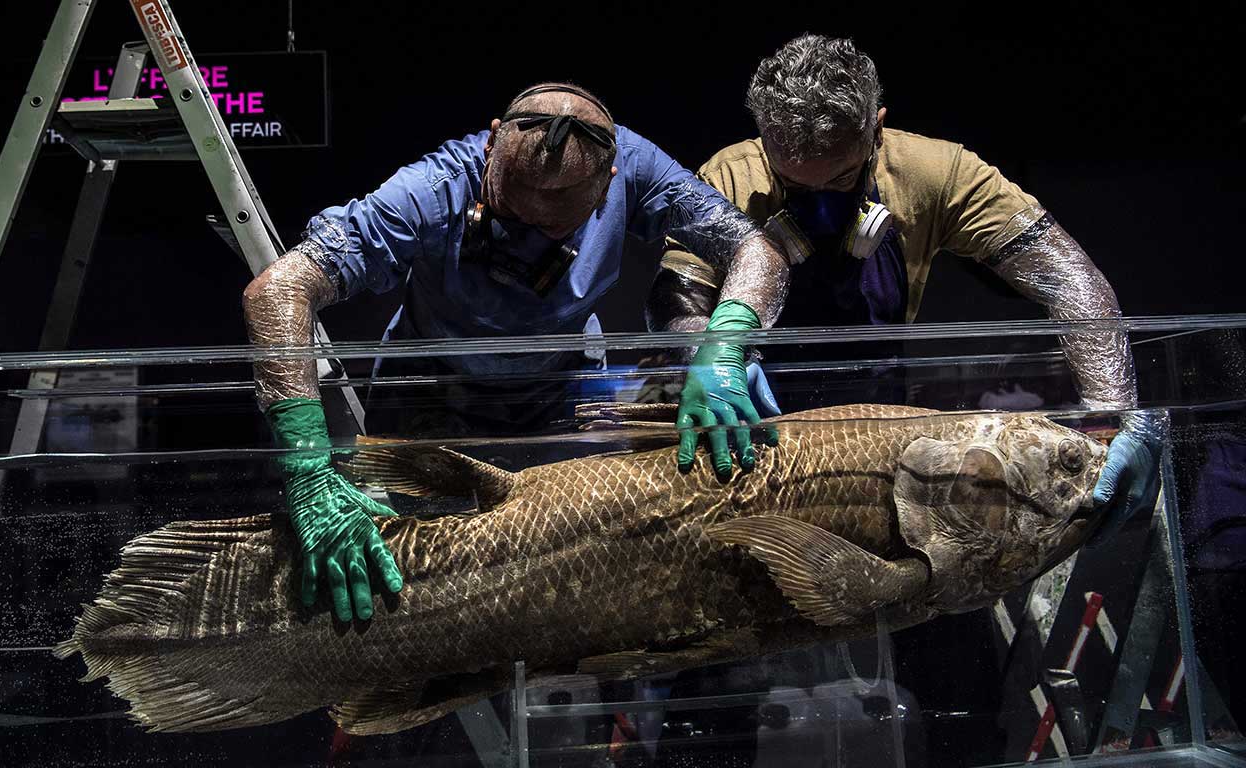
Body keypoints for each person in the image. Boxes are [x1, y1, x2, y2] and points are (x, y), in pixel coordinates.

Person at [242, 83, 790, 623]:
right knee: (410, 585)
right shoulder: (432, 190)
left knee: (557, 578)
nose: (526, 233)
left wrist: (726, 347)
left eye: (552, 224)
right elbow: (278, 290)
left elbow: (757, 251)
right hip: (430, 391)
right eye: (508, 208)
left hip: (560, 392)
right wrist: (306, 467)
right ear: (492, 141)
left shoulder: (638, 167)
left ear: (609, 182)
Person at [649, 35, 1161, 545]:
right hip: (745, 423)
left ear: (876, 126)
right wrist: (713, 357)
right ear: (765, 138)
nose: (821, 207)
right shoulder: (729, 177)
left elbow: (1069, 279)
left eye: (842, 178)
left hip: (877, 421)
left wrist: (1115, 417)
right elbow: (676, 295)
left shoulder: (936, 173)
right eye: (797, 188)